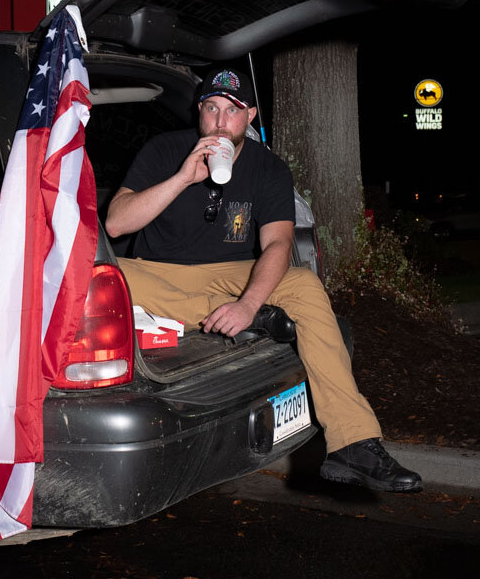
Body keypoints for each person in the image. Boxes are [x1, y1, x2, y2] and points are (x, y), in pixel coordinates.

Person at [105, 66, 422, 493]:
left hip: (232, 275)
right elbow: (116, 225)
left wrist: (249, 304)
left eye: (231, 111)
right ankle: (248, 316)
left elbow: (278, 244)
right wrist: (183, 177)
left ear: (249, 116)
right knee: (98, 274)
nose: (219, 122)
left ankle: (354, 443)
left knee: (305, 285)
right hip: (158, 274)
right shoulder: (166, 150)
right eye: (211, 108)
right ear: (199, 111)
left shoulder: (268, 168)